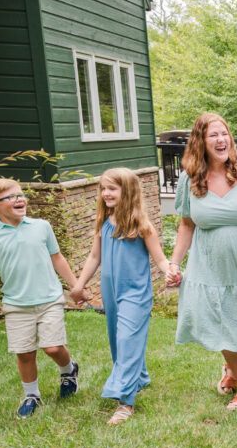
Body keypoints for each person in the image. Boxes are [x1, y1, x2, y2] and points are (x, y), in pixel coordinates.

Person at [169, 113, 237, 411]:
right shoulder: (190, 179)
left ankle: (231, 368)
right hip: (212, 265)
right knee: (224, 320)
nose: (221, 140)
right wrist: (174, 263)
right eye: (213, 135)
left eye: (224, 133)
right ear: (200, 141)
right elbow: (187, 225)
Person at [0, 179, 81, 418]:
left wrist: (75, 287)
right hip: (16, 304)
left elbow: (57, 257)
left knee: (52, 347)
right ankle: (32, 395)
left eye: (21, 194)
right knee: (25, 352)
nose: (19, 199)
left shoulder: (41, 226)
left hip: (49, 298)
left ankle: (69, 371)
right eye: (10, 197)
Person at [71, 169, 174, 424]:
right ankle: (139, 378)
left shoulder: (142, 226)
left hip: (136, 293)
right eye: (103, 188)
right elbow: (95, 257)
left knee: (128, 339)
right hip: (111, 293)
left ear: (127, 191)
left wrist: (170, 272)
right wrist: (79, 286)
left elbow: (159, 258)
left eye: (112, 188)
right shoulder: (104, 223)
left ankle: (125, 401)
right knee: (118, 340)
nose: (105, 193)